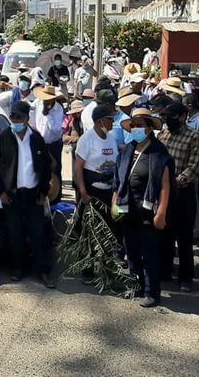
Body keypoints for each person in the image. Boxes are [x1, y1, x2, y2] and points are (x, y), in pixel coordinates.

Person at [0, 100, 54, 288]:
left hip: (33, 195)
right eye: (13, 117)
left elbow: (45, 168)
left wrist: (43, 193)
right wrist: (0, 191)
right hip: (12, 196)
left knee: (37, 233)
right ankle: (18, 269)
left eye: (19, 117)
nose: (15, 120)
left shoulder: (36, 138)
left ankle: (42, 271)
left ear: (26, 119)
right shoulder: (3, 138)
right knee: (14, 234)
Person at [113, 108, 173, 308]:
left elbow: (165, 186)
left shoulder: (158, 153)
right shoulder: (127, 150)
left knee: (149, 252)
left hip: (148, 210)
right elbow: (118, 181)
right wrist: (115, 203)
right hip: (127, 208)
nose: (135, 129)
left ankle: (151, 292)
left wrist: (161, 212)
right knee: (131, 249)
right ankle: (136, 285)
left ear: (149, 129)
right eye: (133, 125)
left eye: (139, 125)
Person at [157, 102, 199, 292]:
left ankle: (185, 277)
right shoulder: (163, 134)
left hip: (183, 193)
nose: (168, 120)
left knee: (184, 237)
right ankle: (165, 271)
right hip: (163, 192)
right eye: (166, 116)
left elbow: (195, 166)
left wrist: (175, 182)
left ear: (183, 116)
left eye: (172, 116)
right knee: (165, 234)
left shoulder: (194, 136)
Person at [74, 104, 120, 279]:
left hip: (108, 192)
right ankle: (87, 267)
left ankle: (105, 266)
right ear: (101, 121)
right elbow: (78, 168)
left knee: (107, 230)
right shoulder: (87, 140)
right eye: (110, 119)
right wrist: (83, 191)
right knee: (89, 230)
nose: (112, 122)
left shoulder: (111, 139)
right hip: (91, 192)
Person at [32, 85, 64, 196]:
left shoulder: (58, 109)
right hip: (39, 142)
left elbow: (56, 129)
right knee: (39, 169)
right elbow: (32, 118)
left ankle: (55, 197)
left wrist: (48, 115)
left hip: (53, 144)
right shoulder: (37, 103)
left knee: (55, 170)